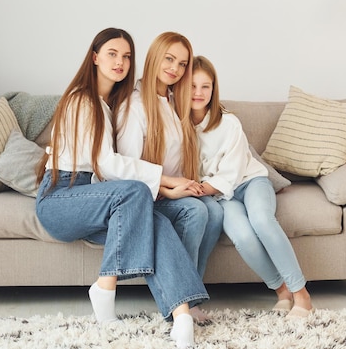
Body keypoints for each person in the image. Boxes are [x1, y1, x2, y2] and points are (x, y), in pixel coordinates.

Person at [35, 28, 208, 348]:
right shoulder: (82, 100)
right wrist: (167, 181)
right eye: (112, 53)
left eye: (126, 56)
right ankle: (104, 287)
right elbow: (106, 163)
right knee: (136, 192)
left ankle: (182, 315)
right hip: (59, 198)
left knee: (156, 222)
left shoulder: (106, 103)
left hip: (88, 196)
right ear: (95, 57)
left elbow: (106, 171)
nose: (120, 61)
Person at [190, 55, 314, 319]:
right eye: (192, 86)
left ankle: (302, 295)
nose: (199, 93)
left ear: (213, 89)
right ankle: (282, 291)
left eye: (205, 86)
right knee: (243, 237)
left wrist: (200, 189)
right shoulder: (178, 127)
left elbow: (232, 173)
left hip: (250, 182)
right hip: (223, 198)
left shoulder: (228, 122)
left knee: (261, 220)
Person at [116, 32, 223, 322]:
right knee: (196, 212)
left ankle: (191, 295)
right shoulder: (134, 106)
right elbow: (129, 169)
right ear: (155, 57)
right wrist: (169, 188)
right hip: (148, 194)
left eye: (182, 63)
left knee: (214, 210)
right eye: (169, 59)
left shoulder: (177, 101)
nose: (175, 68)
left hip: (175, 189)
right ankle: (181, 301)